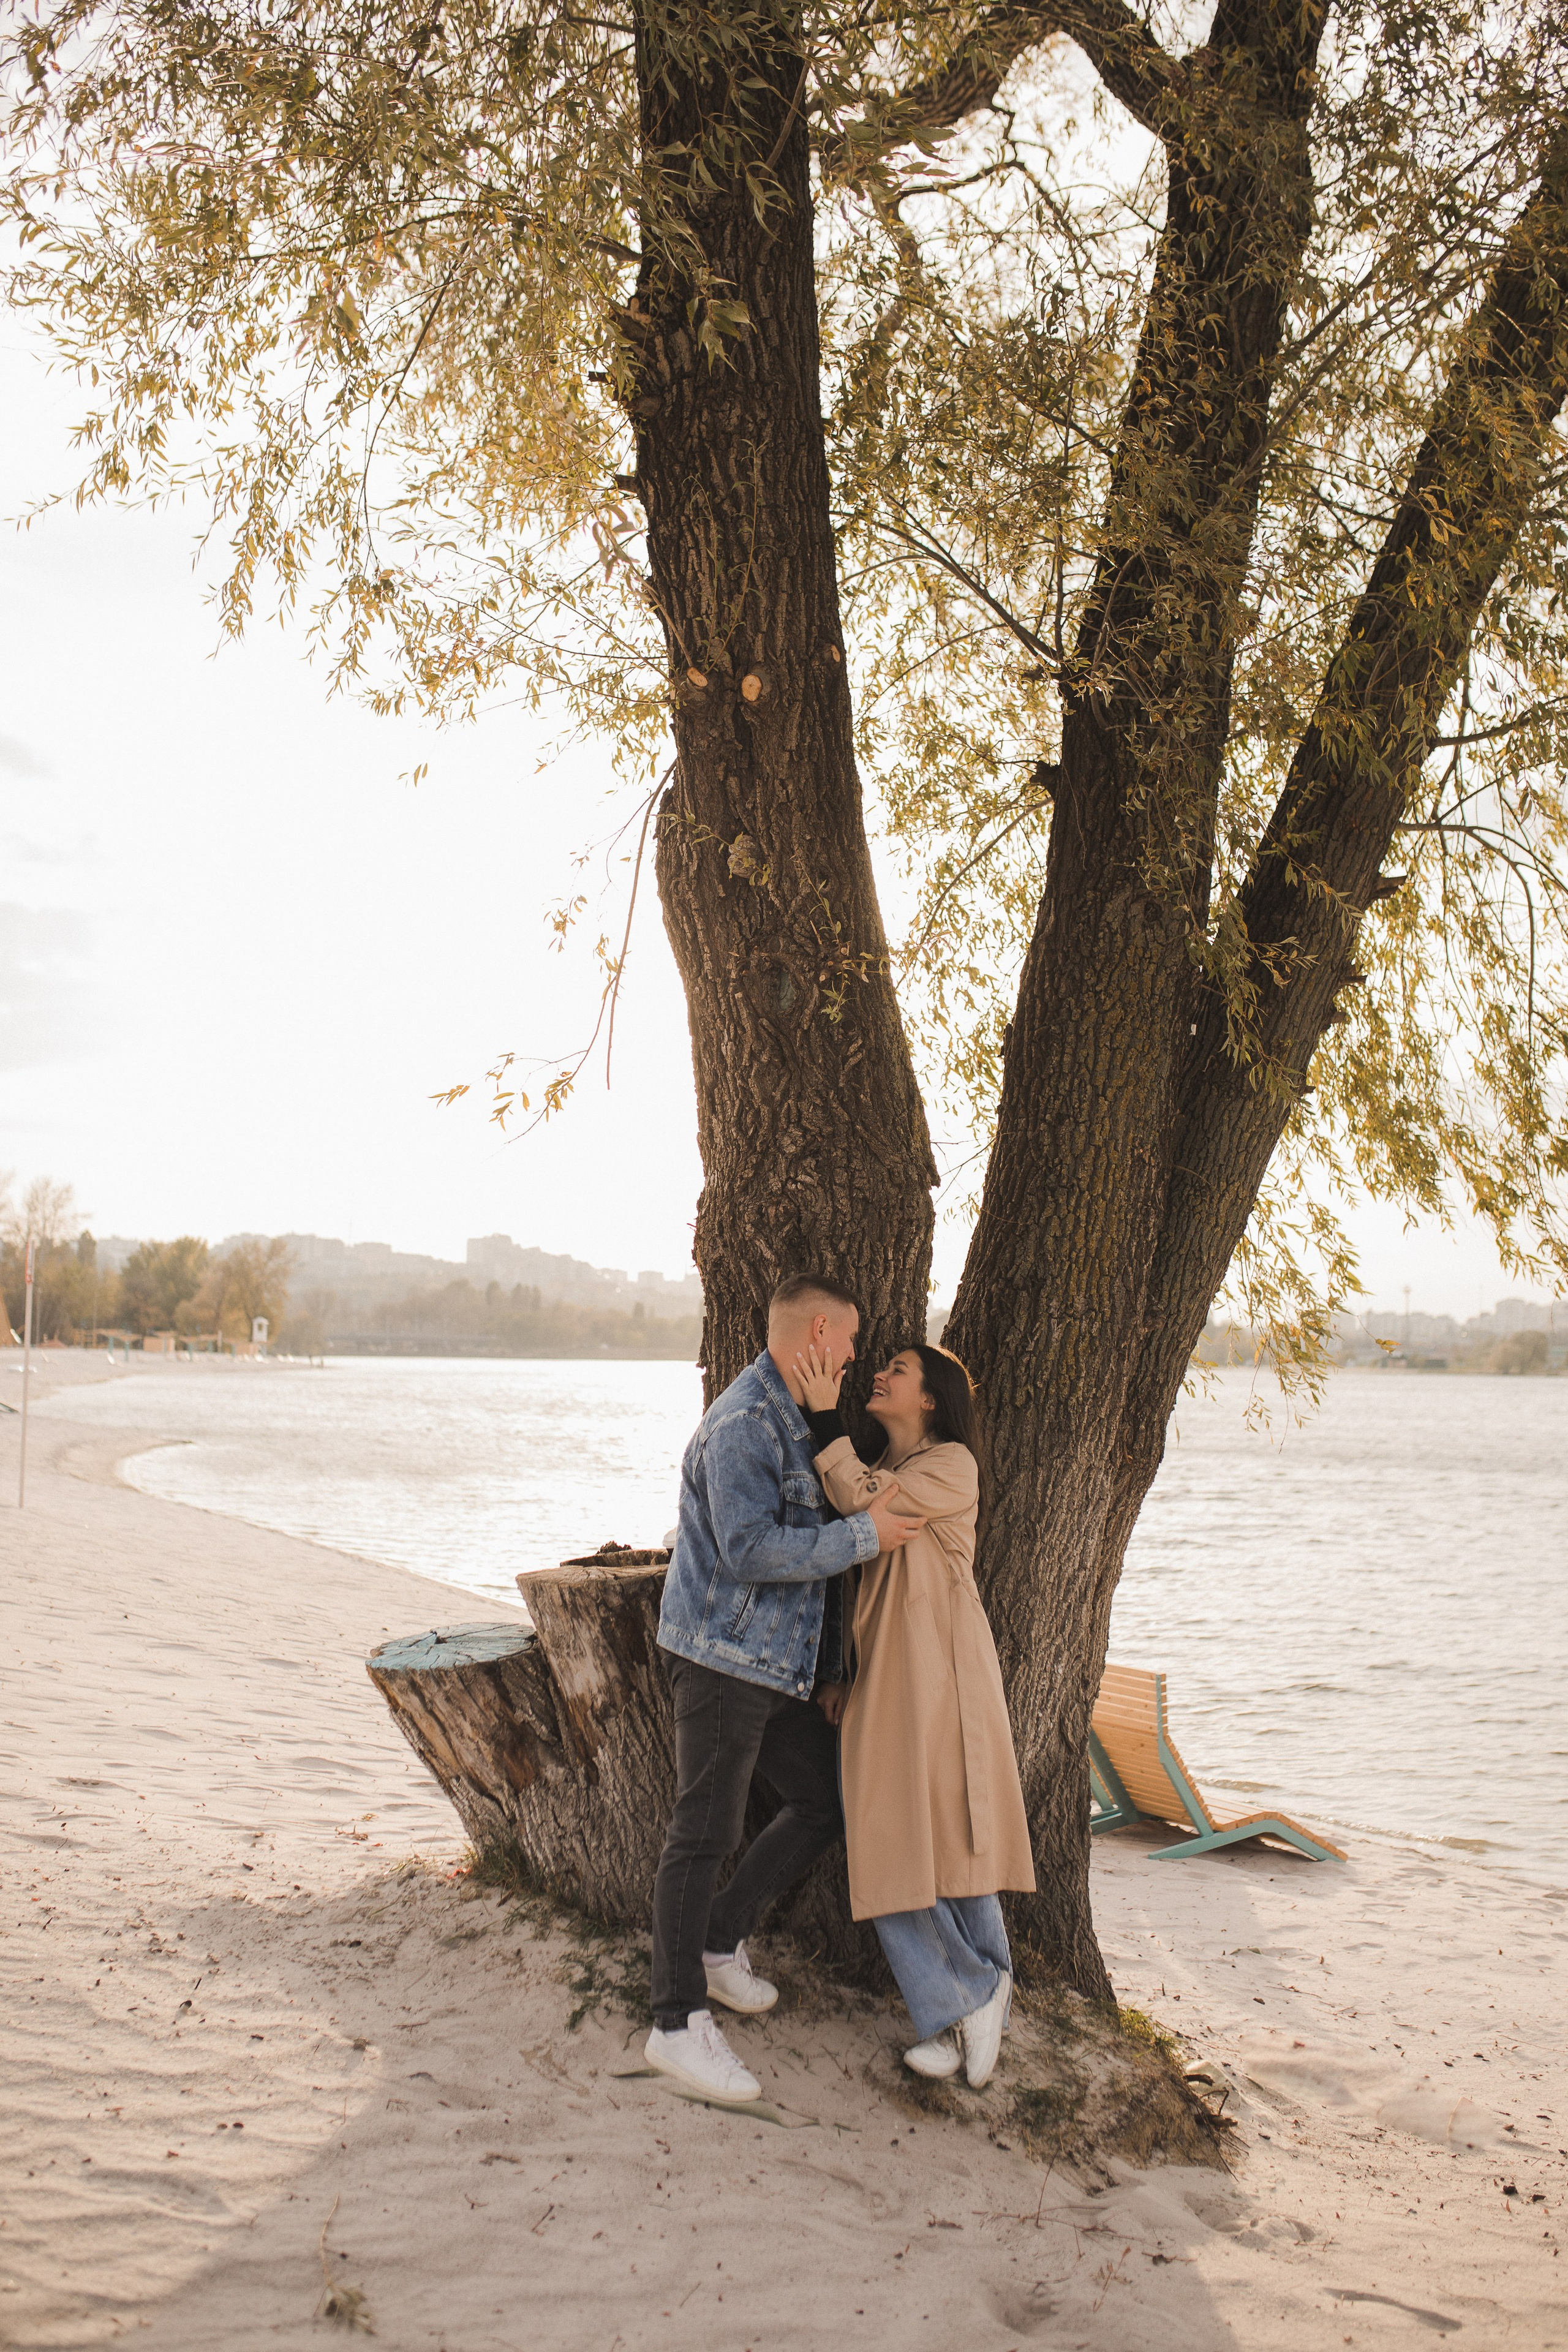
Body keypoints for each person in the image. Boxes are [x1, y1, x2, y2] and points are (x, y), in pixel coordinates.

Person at [644, 1275, 927, 2102]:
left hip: (777, 1669)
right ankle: (673, 2023)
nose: (852, 1356)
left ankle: (719, 1940)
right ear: (813, 1334)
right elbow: (748, 1552)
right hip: (720, 1659)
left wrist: (831, 1669)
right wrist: (864, 1538)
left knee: (827, 1800)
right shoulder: (742, 1423)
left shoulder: (801, 1416)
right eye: (844, 1342)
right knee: (703, 1831)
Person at [799, 1339, 1036, 2089]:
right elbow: (855, 1576)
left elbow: (860, 1502)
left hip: (945, 1672)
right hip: (889, 1674)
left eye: (898, 1370)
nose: (882, 1374)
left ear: (930, 1399)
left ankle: (961, 1999)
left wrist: (819, 1417)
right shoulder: (898, 1472)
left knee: (954, 1830)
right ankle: (973, 1993)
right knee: (888, 1833)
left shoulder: (950, 1464)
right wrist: (840, 1672)